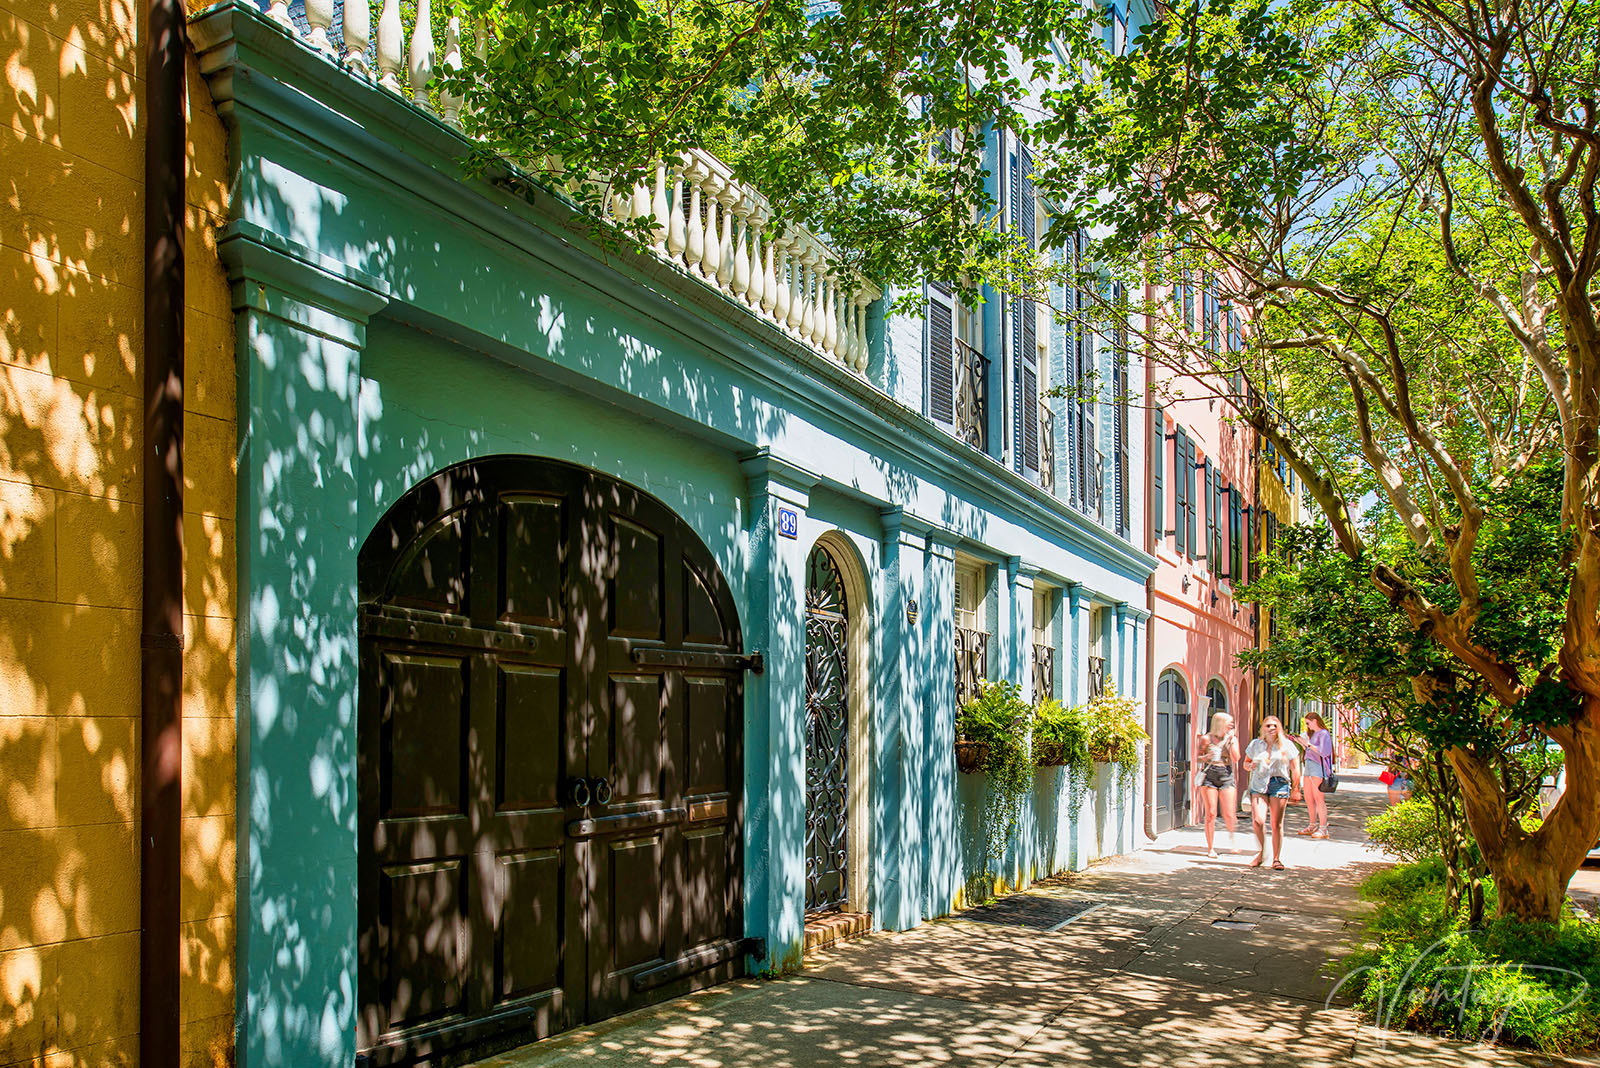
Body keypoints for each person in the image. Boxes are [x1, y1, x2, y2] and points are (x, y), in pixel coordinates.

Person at [1242, 716, 1302, 869]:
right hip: (1259, 784)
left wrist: (1296, 788)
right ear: (1263, 728)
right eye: (1268, 725)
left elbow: (1295, 767)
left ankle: (1276, 859)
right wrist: (1250, 766)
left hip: (1279, 783)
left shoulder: (1287, 745)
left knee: (1276, 823)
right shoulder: (1255, 745)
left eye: (1275, 725)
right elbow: (1245, 763)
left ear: (1279, 727)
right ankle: (1262, 852)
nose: (1272, 728)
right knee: (1258, 820)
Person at [1194, 711, 1240, 858]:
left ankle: (1233, 839)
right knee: (1211, 813)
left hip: (1226, 773)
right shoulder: (1207, 739)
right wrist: (1206, 756)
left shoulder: (1232, 739)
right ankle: (1210, 848)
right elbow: (1197, 758)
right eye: (1229, 723)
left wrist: (1232, 741)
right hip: (1210, 774)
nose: (1232, 725)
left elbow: (1236, 758)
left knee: (1229, 813)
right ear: (1220, 723)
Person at [1289, 712, 1335, 839]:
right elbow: (1310, 750)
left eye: (1308, 723)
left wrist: (1308, 744)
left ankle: (1323, 827)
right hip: (1309, 765)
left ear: (1315, 721)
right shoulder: (1312, 734)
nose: (1307, 726)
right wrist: (1301, 742)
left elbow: (1324, 752)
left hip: (1318, 768)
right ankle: (1312, 824)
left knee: (1318, 798)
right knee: (1309, 798)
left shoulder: (1324, 734)